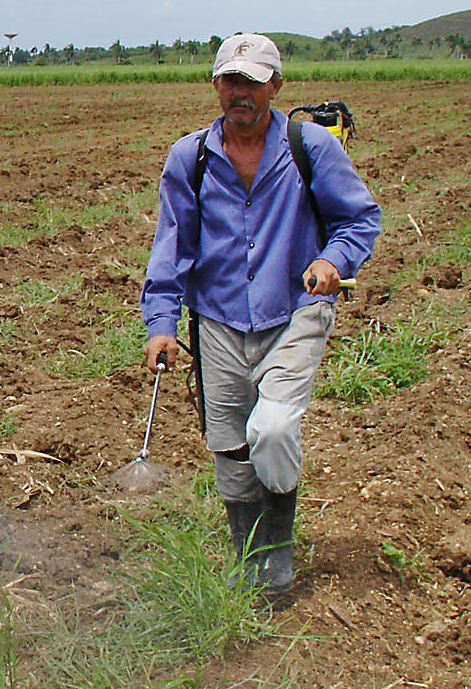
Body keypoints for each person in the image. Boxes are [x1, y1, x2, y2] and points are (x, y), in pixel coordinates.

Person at [140, 32, 381, 597]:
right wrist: (162, 325)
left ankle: (278, 550)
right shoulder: (191, 158)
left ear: (275, 85)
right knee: (228, 446)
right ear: (216, 85)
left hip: (294, 309)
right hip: (220, 317)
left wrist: (331, 258)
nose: (239, 92)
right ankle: (246, 555)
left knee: (271, 430)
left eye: (252, 81)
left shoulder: (311, 147)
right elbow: (170, 246)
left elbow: (360, 219)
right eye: (230, 80)